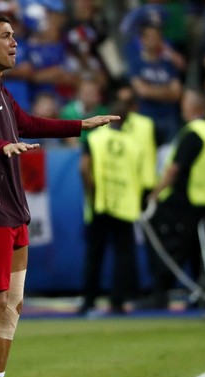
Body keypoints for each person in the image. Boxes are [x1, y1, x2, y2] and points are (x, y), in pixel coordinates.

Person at [0, 13, 119, 377]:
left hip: (13, 210)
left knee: (11, 308)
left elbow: (31, 124)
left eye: (14, 36)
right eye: (6, 36)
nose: (15, 43)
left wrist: (80, 125)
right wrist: (2, 145)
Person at [146, 88, 205, 310]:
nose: (181, 107)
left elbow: (174, 169)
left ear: (195, 107)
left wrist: (155, 194)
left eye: (185, 103)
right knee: (201, 250)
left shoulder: (194, 132)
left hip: (188, 200)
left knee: (178, 249)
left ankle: (165, 294)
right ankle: (203, 293)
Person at [78, 100, 144, 316]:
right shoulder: (134, 144)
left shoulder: (95, 139)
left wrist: (92, 191)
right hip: (125, 205)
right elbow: (140, 176)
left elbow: (84, 168)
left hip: (101, 202)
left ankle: (88, 301)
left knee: (94, 254)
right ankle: (117, 301)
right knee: (123, 254)